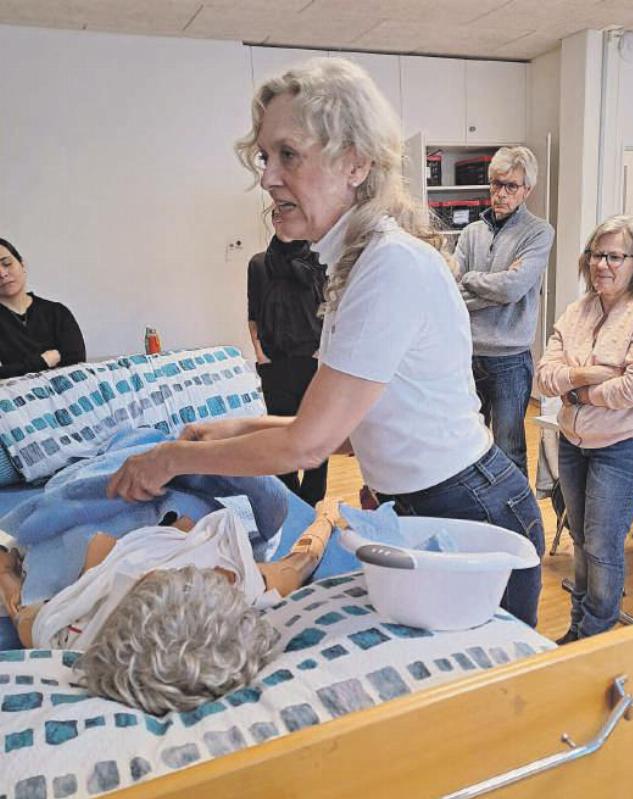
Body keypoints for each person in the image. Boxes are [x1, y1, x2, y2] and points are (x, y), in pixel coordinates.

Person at [106, 57, 544, 628]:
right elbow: (340, 433)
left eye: (288, 154)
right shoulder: (356, 266)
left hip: (470, 510)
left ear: (355, 163)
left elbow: (308, 445)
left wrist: (172, 458)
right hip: (429, 502)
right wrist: (237, 428)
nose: (268, 177)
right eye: (265, 157)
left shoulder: (389, 267)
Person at [0, 499, 339, 714]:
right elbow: (303, 559)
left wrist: (6, 570)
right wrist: (327, 515)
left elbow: (18, 605)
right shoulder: (242, 584)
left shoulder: (65, 630)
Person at [536, 215, 633, 642]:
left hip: (628, 446)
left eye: (615, 257)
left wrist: (577, 390)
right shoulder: (577, 311)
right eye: (596, 254)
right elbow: (544, 376)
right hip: (574, 441)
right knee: (581, 538)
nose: (602, 264)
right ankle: (580, 627)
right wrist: (592, 374)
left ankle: (595, 638)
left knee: (601, 545)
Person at [454, 147, 554, 476]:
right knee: (467, 447)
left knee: (509, 449)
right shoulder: (471, 233)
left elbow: (513, 289)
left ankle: (513, 510)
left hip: (510, 360)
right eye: (496, 184)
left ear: (527, 190)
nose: (501, 193)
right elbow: (451, 292)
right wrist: (496, 288)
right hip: (467, 355)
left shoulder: (538, 233)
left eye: (511, 186)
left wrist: (471, 279)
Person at [248, 211, 328, 505]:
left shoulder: (319, 260)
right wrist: (260, 354)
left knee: (316, 433)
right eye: (276, 215)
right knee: (280, 434)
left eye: (287, 214)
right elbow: (253, 314)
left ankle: (313, 499)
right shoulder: (258, 264)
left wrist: (323, 352)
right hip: (275, 362)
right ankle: (291, 501)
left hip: (313, 360)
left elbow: (330, 307)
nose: (281, 220)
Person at [0, 237, 86, 378]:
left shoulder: (57, 313)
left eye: (7, 263)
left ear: (22, 264)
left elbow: (77, 363)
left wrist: (16, 368)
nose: (2, 274)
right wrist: (42, 361)